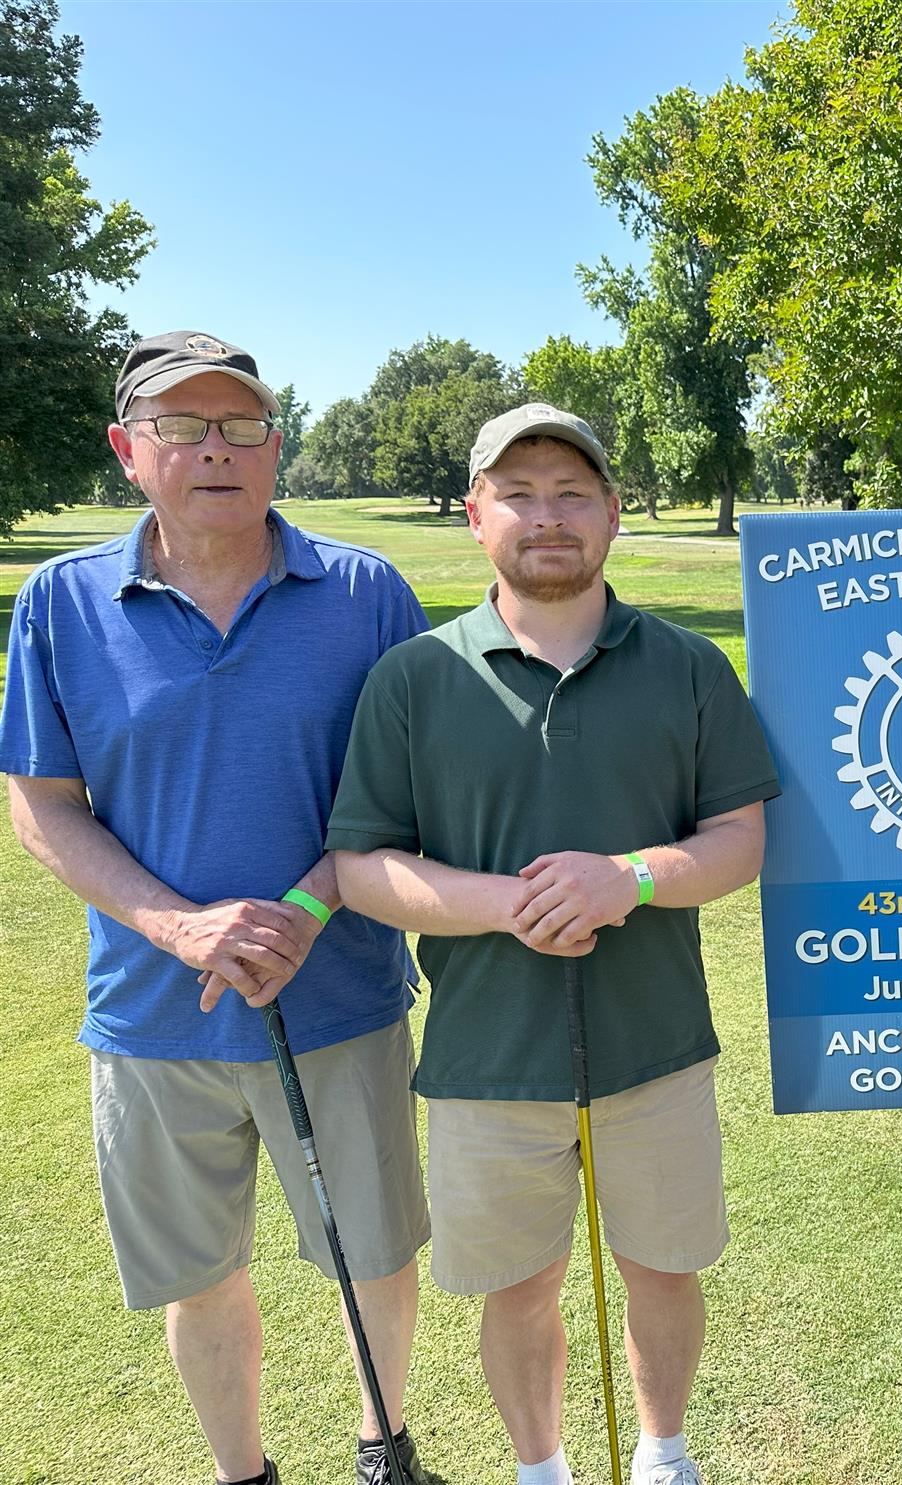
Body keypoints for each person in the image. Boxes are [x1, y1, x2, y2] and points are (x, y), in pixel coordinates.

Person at [0, 331, 432, 1485]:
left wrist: (301, 907)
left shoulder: (364, 592)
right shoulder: (61, 603)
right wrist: (179, 924)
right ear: (127, 451)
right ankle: (244, 1475)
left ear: (277, 445)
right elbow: (42, 805)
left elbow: (405, 790)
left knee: (375, 1250)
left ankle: (383, 1451)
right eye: (181, 427)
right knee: (197, 1270)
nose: (215, 450)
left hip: (339, 996)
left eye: (242, 425)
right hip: (154, 1011)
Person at [326, 404, 780, 1485]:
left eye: (573, 493)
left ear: (614, 514)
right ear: (477, 512)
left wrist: (624, 879)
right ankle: (542, 1469)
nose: (548, 516)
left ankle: (664, 1454)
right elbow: (360, 865)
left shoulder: (687, 665)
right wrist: (506, 902)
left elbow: (737, 841)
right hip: (488, 1056)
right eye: (519, 494)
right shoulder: (414, 679)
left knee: (663, 1270)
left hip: (656, 1045)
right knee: (517, 1286)